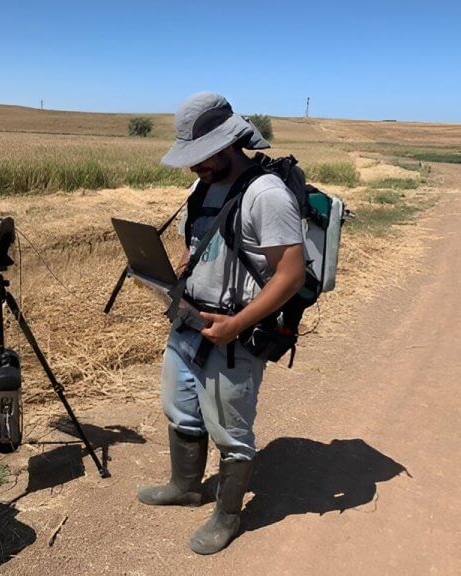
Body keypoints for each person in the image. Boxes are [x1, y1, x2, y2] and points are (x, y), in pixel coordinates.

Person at [137, 92, 306, 554]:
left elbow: (292, 274)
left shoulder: (266, 195)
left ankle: (228, 515)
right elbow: (200, 244)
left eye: (202, 158)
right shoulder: (200, 188)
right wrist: (172, 276)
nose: (195, 168)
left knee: (230, 428)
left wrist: (237, 324)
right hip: (190, 317)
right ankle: (187, 485)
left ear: (229, 144)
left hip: (237, 331)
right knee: (179, 405)